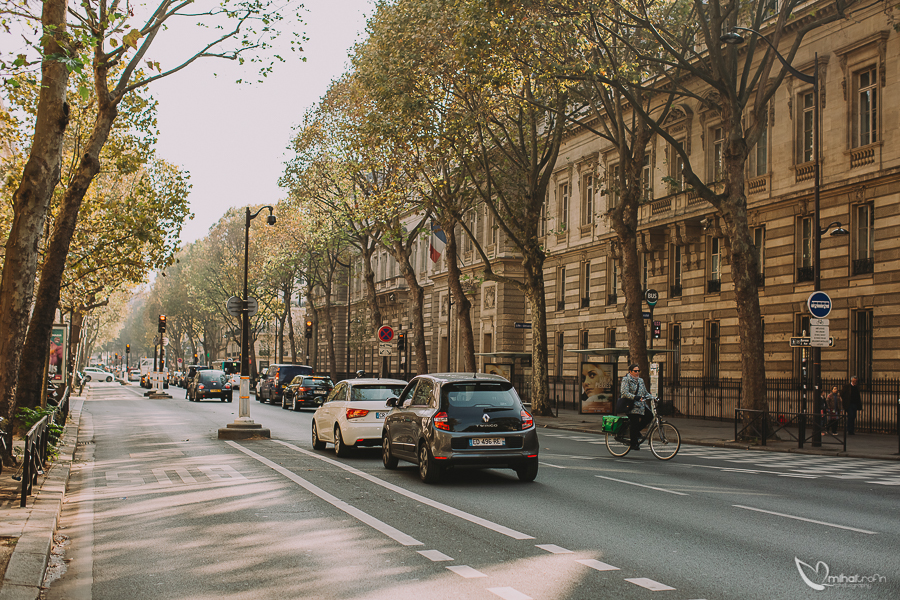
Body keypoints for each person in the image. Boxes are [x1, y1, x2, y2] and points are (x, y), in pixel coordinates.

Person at [620, 364, 653, 451]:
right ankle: (633, 443)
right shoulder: (626, 380)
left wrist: (653, 398)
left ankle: (636, 432)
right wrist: (635, 397)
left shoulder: (641, 380)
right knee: (634, 422)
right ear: (630, 371)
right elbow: (624, 393)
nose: (637, 372)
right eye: (635, 371)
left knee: (650, 416)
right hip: (630, 406)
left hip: (640, 405)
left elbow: (645, 392)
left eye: (638, 371)